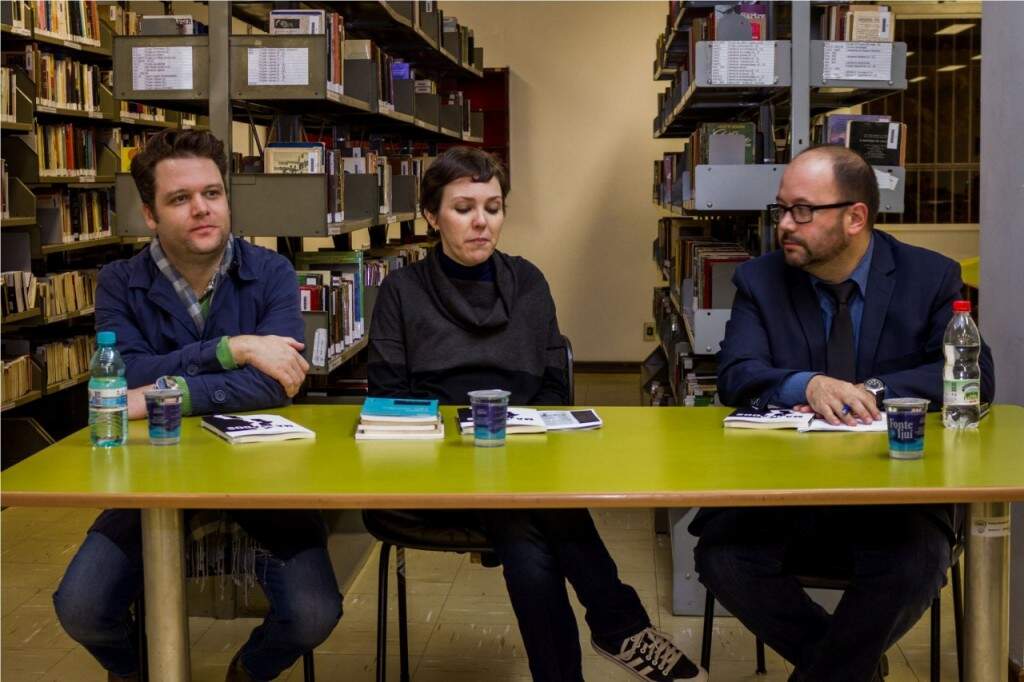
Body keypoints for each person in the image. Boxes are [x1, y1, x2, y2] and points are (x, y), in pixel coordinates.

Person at [367, 146, 707, 682]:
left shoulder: (528, 282)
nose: (482, 221)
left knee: (524, 535)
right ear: (431, 215)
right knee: (529, 518)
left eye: (493, 206)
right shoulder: (401, 292)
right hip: (435, 466)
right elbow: (388, 395)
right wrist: (470, 441)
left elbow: (553, 385)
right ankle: (620, 626)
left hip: (524, 460)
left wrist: (522, 436)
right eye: (463, 208)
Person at [691, 145, 995, 682]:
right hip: (785, 490)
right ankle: (852, 671)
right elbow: (736, 374)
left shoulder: (929, 278)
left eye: (803, 210)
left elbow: (974, 377)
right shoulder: (760, 281)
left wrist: (871, 390)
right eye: (781, 209)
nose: (785, 224)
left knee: (915, 564)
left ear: (855, 217)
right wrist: (807, 383)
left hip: (895, 491)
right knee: (723, 559)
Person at [52, 129, 342, 682]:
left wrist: (171, 393)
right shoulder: (119, 282)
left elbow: (277, 385)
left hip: (263, 478)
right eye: (180, 199)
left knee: (313, 615)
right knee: (81, 609)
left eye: (212, 192)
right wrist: (232, 348)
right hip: (151, 479)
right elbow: (123, 377)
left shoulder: (272, 272)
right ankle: (143, 670)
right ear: (150, 214)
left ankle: (247, 673)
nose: (202, 209)